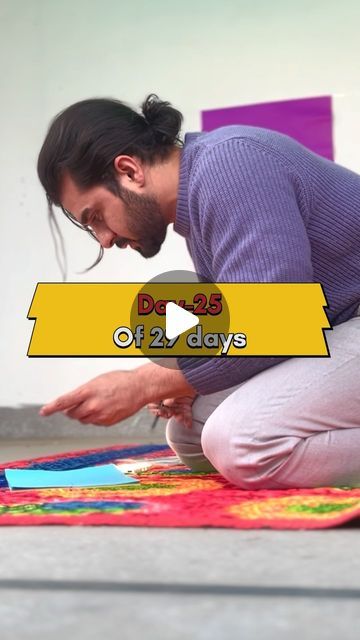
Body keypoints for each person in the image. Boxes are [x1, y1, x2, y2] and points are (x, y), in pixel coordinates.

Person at [37, 94, 360, 489]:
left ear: (128, 170)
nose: (104, 239)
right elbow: (252, 324)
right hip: (339, 327)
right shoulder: (202, 194)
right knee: (192, 436)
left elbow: (277, 323)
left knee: (241, 444)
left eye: (96, 216)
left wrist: (145, 382)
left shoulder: (232, 165)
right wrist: (184, 377)